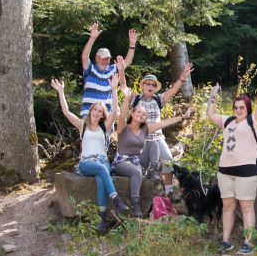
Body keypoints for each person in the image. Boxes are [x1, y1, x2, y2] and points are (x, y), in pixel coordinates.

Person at [51, 74, 127, 233]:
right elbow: (66, 112)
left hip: (102, 161)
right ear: (91, 110)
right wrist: (61, 91)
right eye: (95, 109)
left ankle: (101, 220)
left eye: (100, 111)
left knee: (101, 177)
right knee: (101, 170)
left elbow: (114, 110)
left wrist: (114, 89)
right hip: (86, 163)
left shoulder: (104, 127)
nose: (97, 112)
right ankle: (116, 199)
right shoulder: (82, 125)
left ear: (102, 115)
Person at [207, 75, 257, 255]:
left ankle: (248, 243)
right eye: (235, 107)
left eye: (241, 107)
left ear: (247, 108)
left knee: (246, 206)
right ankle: (226, 241)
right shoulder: (227, 121)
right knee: (227, 207)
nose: (238, 110)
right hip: (225, 171)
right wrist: (213, 95)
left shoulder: (254, 121)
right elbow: (211, 115)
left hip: (248, 171)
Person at [113, 87, 192, 218]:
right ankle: (135, 203)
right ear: (132, 114)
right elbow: (121, 116)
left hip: (136, 161)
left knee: (154, 143)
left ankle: (153, 169)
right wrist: (126, 98)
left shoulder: (145, 129)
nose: (141, 115)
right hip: (122, 162)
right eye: (138, 112)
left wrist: (182, 117)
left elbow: (163, 123)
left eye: (144, 114)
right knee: (137, 172)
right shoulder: (123, 128)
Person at [130, 64, 194, 199]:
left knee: (168, 160)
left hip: (158, 137)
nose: (150, 87)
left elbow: (173, 90)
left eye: (153, 85)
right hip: (141, 139)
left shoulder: (159, 99)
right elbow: (123, 86)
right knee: (141, 168)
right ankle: (142, 196)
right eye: (148, 84)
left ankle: (169, 192)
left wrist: (182, 77)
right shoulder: (135, 99)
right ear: (143, 86)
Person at [80, 22, 137, 116]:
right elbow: (85, 56)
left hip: (107, 117)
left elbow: (128, 61)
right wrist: (92, 38)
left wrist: (132, 45)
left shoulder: (112, 70)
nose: (106, 61)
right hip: (88, 115)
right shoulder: (90, 69)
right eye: (103, 58)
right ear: (96, 58)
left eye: (108, 58)